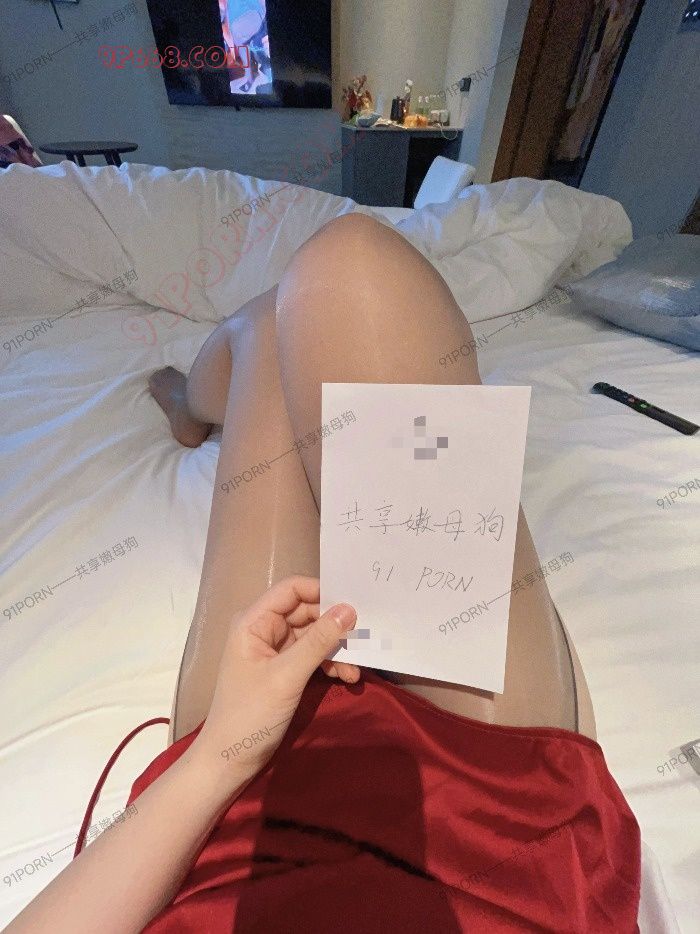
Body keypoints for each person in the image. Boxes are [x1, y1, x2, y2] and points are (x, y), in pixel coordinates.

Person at [7, 214, 641, 933]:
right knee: (333, 279)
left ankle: (194, 402)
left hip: (235, 819)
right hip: (498, 852)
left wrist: (216, 759)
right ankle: (205, 398)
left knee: (306, 298)